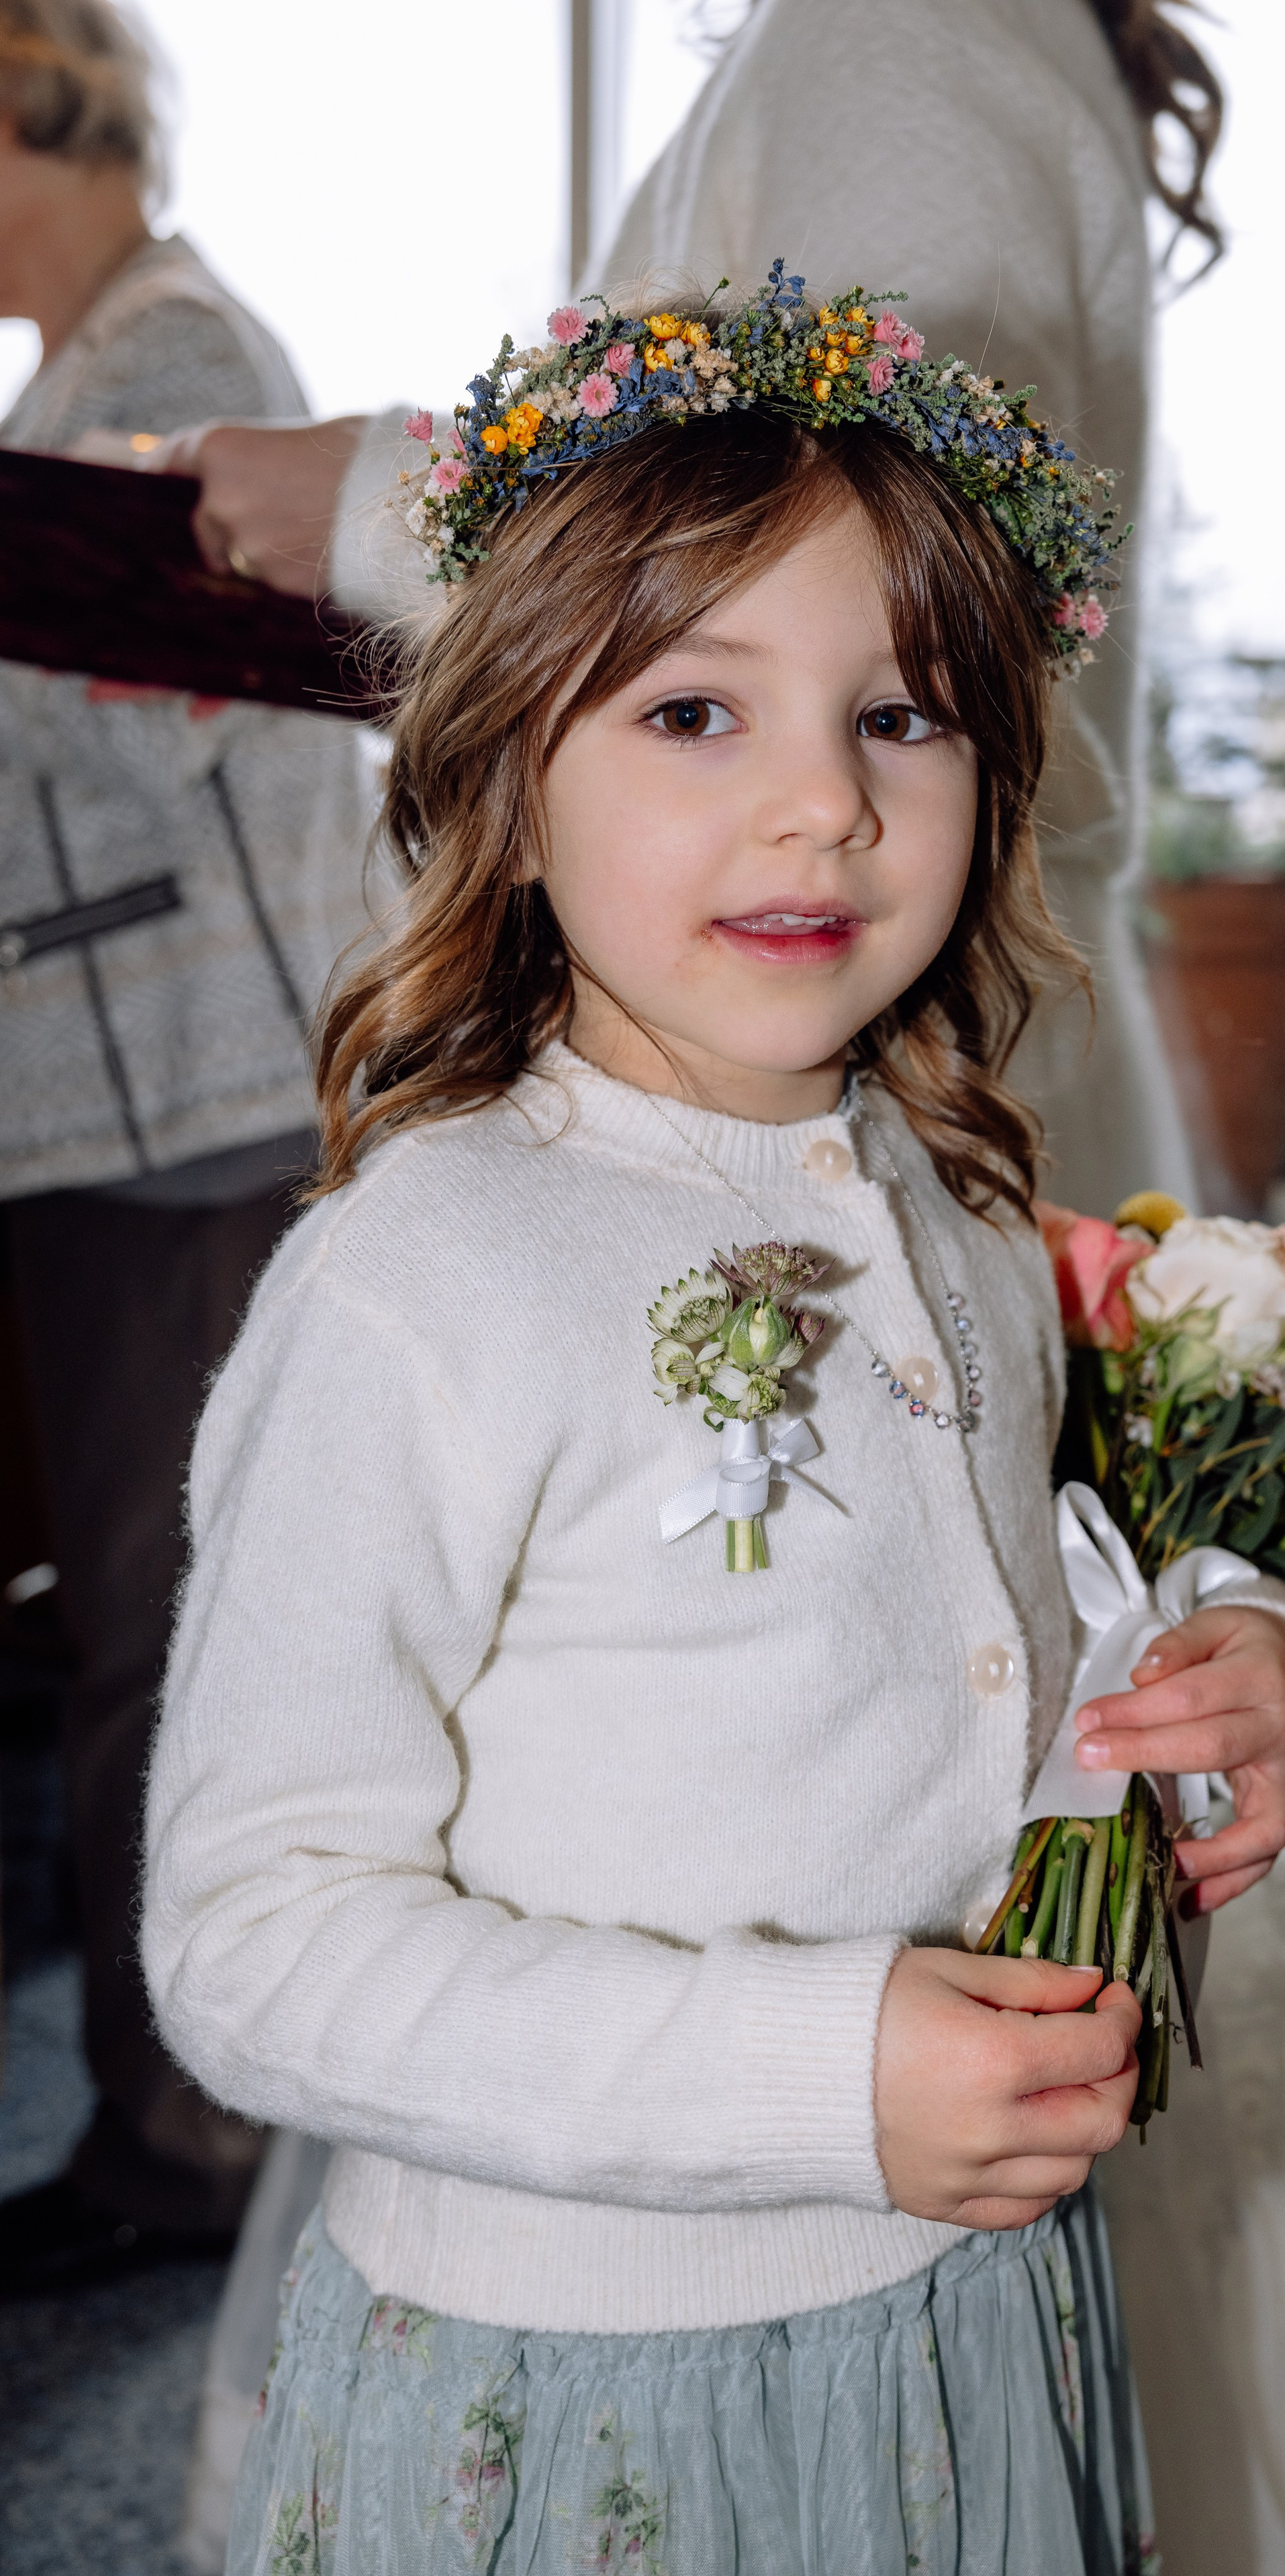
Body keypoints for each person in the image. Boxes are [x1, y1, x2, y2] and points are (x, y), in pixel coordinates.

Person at [142, 275, 1285, 2572]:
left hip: (964, 2298)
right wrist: (821, 2072)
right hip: (587, 2378)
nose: (823, 801)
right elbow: (255, 1931)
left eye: (902, 712)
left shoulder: (953, 1195)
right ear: (503, 768)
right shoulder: (427, 1279)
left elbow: (1005, 1597)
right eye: (697, 708)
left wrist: (1237, 1644)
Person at [147, 0, 1211, 1223]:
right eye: (695, 714)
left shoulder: (904, 35)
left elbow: (864, 540)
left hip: (883, 1090)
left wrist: (365, 502)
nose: (822, 796)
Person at [0, 0, 373, 2291]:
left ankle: (189, 2138)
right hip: (113, 1102)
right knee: (146, 1625)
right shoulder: (85, 369)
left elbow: (164, 741)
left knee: (173, 1631)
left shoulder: (183, 351)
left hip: (189, 1100)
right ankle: (183, 2107)